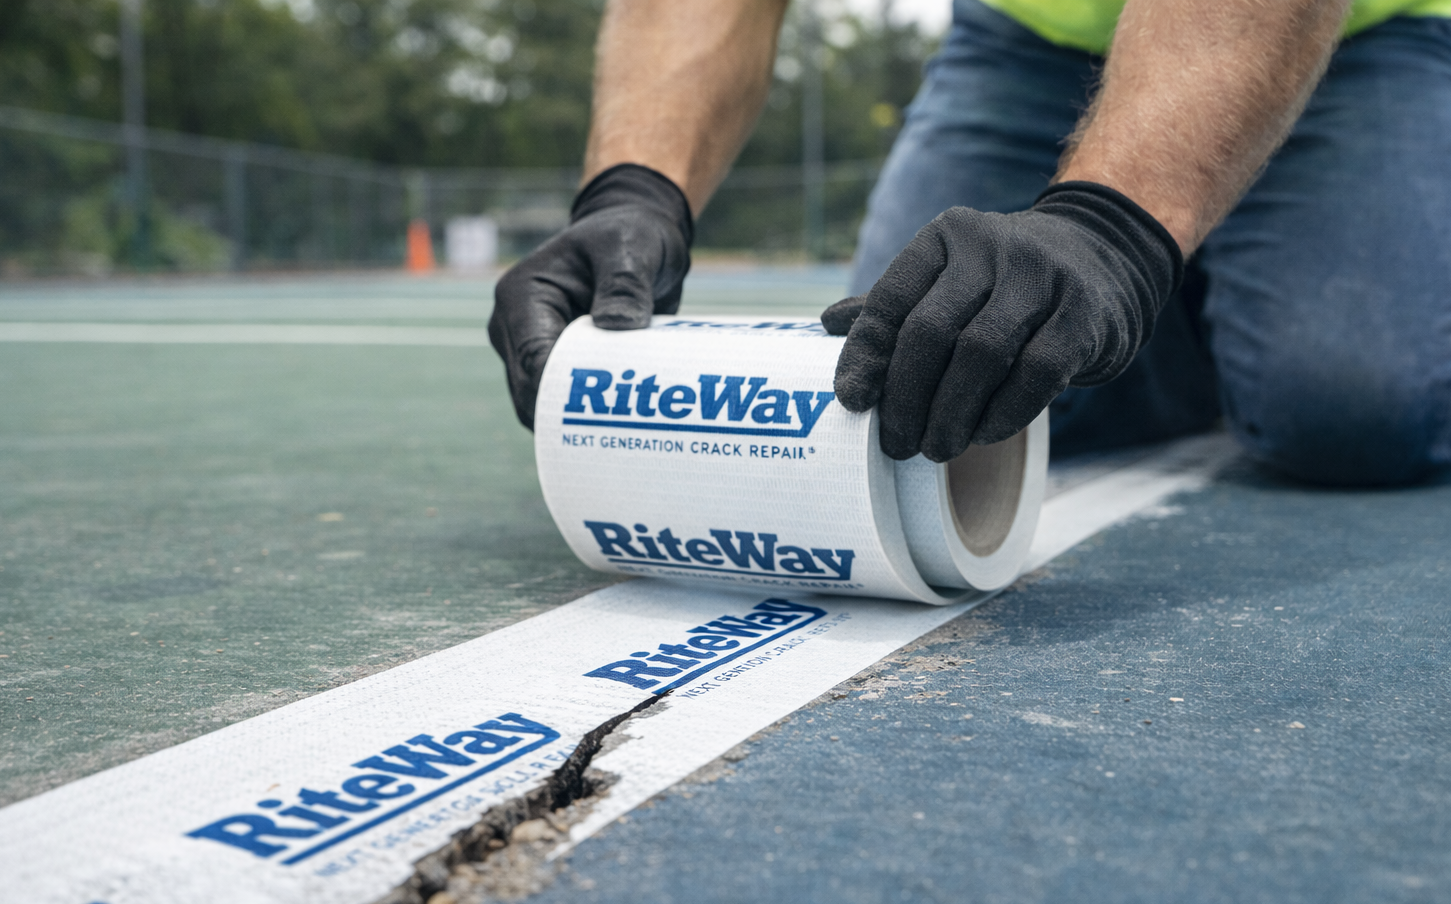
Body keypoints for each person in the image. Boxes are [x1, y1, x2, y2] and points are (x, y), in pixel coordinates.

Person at [489, 0, 1451, 486]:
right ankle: (1192, 323)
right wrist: (638, 187)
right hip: (1029, 34)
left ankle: (1196, 266)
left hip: (1365, 33)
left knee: (1345, 402)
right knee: (905, 375)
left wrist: (1114, 232)